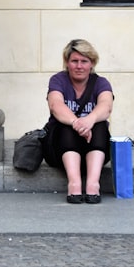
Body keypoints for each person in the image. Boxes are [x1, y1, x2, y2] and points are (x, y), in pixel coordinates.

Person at [43, 38, 113, 204]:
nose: (79, 66)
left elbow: (106, 106)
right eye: (74, 61)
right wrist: (76, 123)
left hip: (94, 148)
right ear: (67, 63)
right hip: (60, 150)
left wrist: (89, 120)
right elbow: (56, 105)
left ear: (92, 63)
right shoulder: (58, 80)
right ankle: (74, 183)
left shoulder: (101, 83)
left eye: (84, 61)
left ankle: (93, 184)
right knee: (65, 125)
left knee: (100, 125)